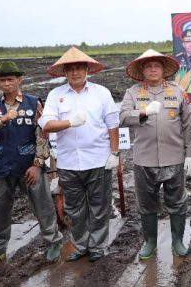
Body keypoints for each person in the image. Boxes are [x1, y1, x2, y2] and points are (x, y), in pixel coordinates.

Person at [0, 61, 63, 269]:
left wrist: (38, 163)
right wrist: (2, 120)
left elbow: (43, 135)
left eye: (10, 80)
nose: (6, 84)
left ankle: (53, 243)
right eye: (2, 80)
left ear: (19, 80)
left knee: (43, 206)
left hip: (29, 166)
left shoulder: (34, 104)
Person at [39, 47, 120, 263]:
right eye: (71, 69)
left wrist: (114, 152)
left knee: (100, 206)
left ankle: (98, 246)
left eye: (79, 68)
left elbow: (112, 124)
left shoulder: (101, 93)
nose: (75, 72)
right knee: (74, 208)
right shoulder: (56, 95)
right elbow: (46, 123)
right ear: (65, 72)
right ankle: (81, 245)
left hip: (98, 159)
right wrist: (69, 123)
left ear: (87, 70)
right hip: (68, 162)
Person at [120, 49, 191, 260]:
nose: (153, 69)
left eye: (157, 66)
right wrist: (143, 112)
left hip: (174, 157)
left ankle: (177, 241)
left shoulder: (178, 91)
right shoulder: (133, 93)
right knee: (146, 202)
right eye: (148, 66)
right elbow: (124, 117)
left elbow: (188, 125)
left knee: (177, 201)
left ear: (163, 69)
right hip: (144, 159)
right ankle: (150, 242)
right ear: (142, 70)